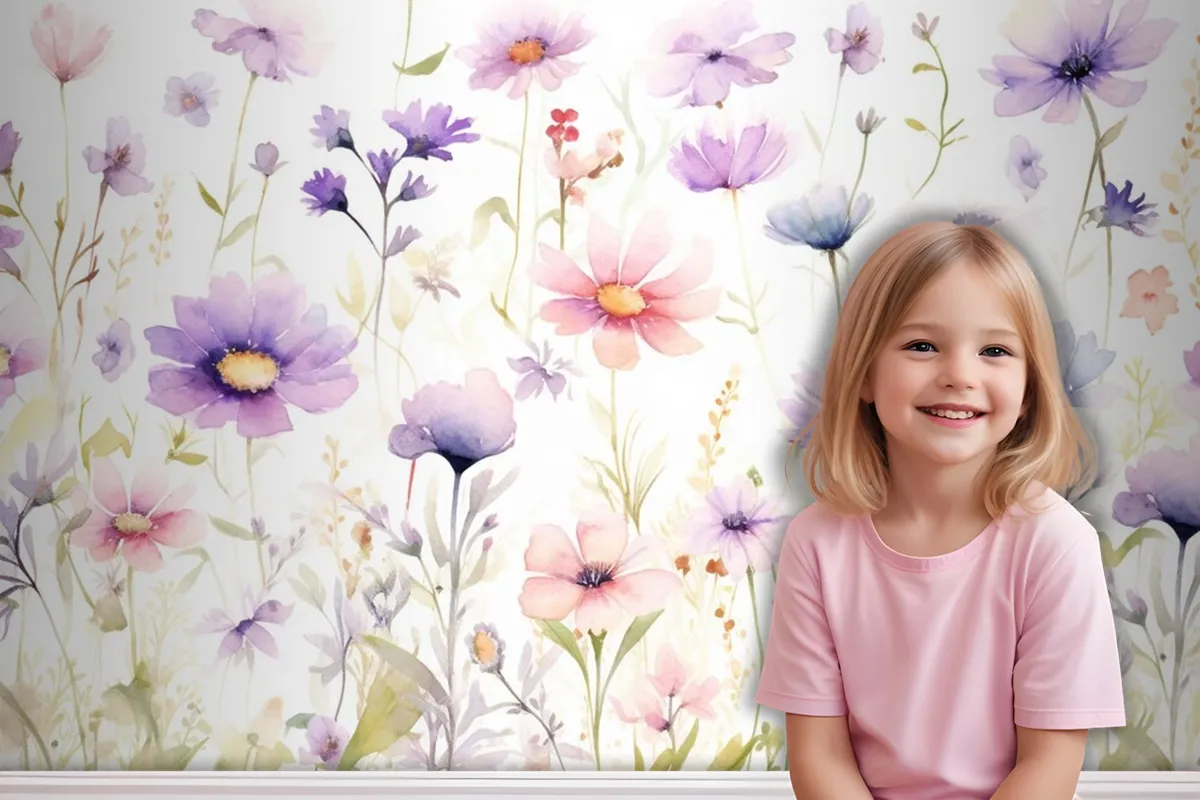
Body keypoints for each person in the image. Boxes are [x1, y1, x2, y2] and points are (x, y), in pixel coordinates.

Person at [756, 221, 1125, 800]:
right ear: (865, 373)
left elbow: (1048, 767)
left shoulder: (1056, 543)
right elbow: (819, 754)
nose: (960, 375)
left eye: (995, 351)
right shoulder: (816, 542)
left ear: (1028, 388)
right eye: (921, 345)